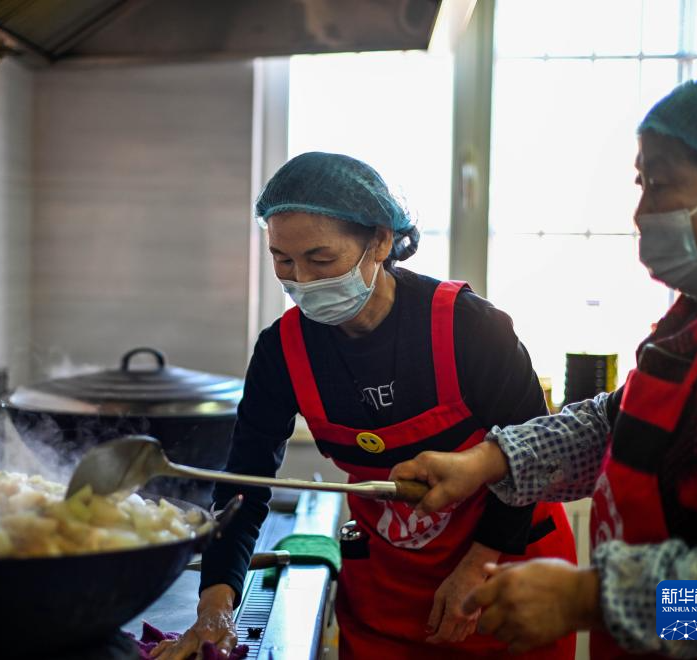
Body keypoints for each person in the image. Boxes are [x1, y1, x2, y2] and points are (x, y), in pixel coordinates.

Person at [151, 152, 577, 659]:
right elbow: (245, 483)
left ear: (378, 241)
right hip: (386, 592)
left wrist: (479, 563)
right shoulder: (282, 351)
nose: (302, 282)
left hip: (507, 570)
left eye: (321, 260)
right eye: (283, 261)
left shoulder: (468, 327)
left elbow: (536, 454)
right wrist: (216, 602)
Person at [393, 70, 697, 658]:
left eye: (662, 185)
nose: (640, 213)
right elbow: (614, 420)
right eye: (641, 183)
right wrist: (486, 461)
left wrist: (588, 599)